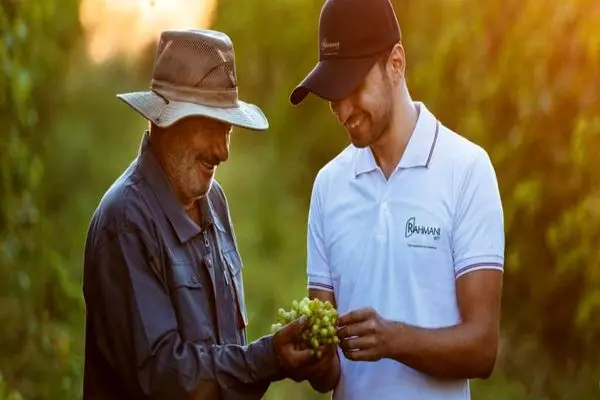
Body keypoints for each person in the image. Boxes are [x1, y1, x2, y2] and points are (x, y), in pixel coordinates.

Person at [82, 29, 318, 399]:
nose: (223, 151)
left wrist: (270, 358)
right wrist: (265, 359)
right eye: (210, 127)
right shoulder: (126, 222)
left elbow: (219, 357)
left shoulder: (214, 202)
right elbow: (164, 376)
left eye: (227, 130)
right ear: (164, 121)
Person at [289, 0, 505, 398]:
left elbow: (482, 348)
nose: (342, 110)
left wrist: (392, 341)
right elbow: (327, 370)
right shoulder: (329, 186)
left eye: (353, 88)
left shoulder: (467, 170)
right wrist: (311, 358)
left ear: (396, 63)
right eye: (333, 95)